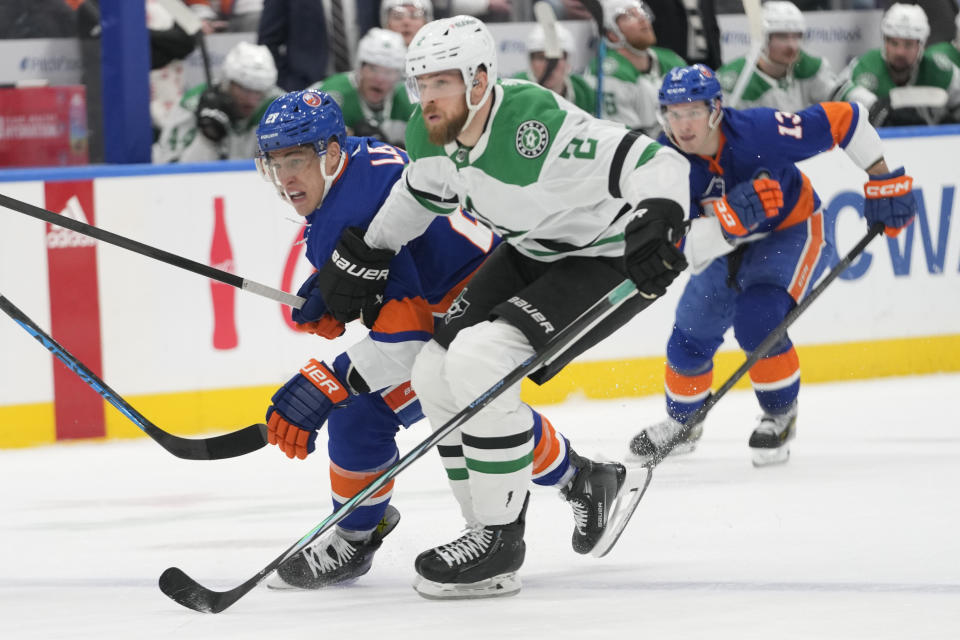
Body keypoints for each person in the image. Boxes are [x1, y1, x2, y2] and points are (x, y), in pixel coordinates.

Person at [310, 16, 691, 599]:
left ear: (481, 79)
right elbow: (419, 194)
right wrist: (367, 253)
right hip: (530, 249)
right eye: (420, 84)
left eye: (441, 82)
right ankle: (483, 533)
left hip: (606, 257)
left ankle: (501, 535)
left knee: (480, 359)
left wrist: (661, 218)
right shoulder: (428, 132)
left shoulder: (536, 126)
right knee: (433, 369)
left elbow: (659, 163)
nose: (427, 98)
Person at [255, 89, 642, 591]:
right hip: (484, 288)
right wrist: (336, 290)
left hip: (473, 308)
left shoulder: (345, 209)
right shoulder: (366, 161)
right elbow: (400, 279)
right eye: (275, 162)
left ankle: (356, 536)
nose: (285, 178)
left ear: (330, 153)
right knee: (474, 404)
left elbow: (409, 338)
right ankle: (585, 480)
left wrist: (333, 379)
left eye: (296, 159)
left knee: (364, 410)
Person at [628, 65, 917, 467]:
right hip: (724, 246)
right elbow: (680, 247)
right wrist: (729, 222)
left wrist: (881, 177)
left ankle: (779, 414)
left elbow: (846, 119)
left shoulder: (761, 131)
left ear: (716, 109)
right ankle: (683, 423)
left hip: (792, 231)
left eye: (692, 111)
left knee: (759, 321)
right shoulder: (666, 163)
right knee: (689, 335)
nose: (682, 125)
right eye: (673, 114)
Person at [833, 3, 960, 127]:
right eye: (894, 43)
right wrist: (876, 107)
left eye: (908, 45)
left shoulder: (938, 69)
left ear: (921, 45)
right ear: (884, 41)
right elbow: (836, 92)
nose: (900, 52)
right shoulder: (865, 66)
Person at [153, 41, 280, 162]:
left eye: (259, 92)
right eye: (244, 90)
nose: (252, 100)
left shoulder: (280, 107)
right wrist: (207, 138)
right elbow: (167, 166)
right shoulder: (192, 103)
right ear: (227, 82)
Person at [584, 0, 686, 133]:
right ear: (612, 34)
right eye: (629, 16)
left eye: (641, 13)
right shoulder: (608, 72)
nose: (642, 20)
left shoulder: (671, 60)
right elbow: (627, 138)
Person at [717, 1, 837, 113]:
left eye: (797, 36)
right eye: (782, 37)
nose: (792, 46)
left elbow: (842, 99)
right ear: (763, 39)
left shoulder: (810, 66)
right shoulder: (733, 80)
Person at [310, 28, 414, 147]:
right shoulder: (330, 94)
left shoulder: (411, 101)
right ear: (359, 67)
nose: (379, 79)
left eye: (389, 72)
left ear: (399, 76)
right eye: (373, 69)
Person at [513, 23, 596, 113]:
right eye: (541, 58)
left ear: (568, 61)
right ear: (531, 62)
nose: (549, 66)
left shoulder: (583, 92)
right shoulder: (516, 91)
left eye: (555, 58)